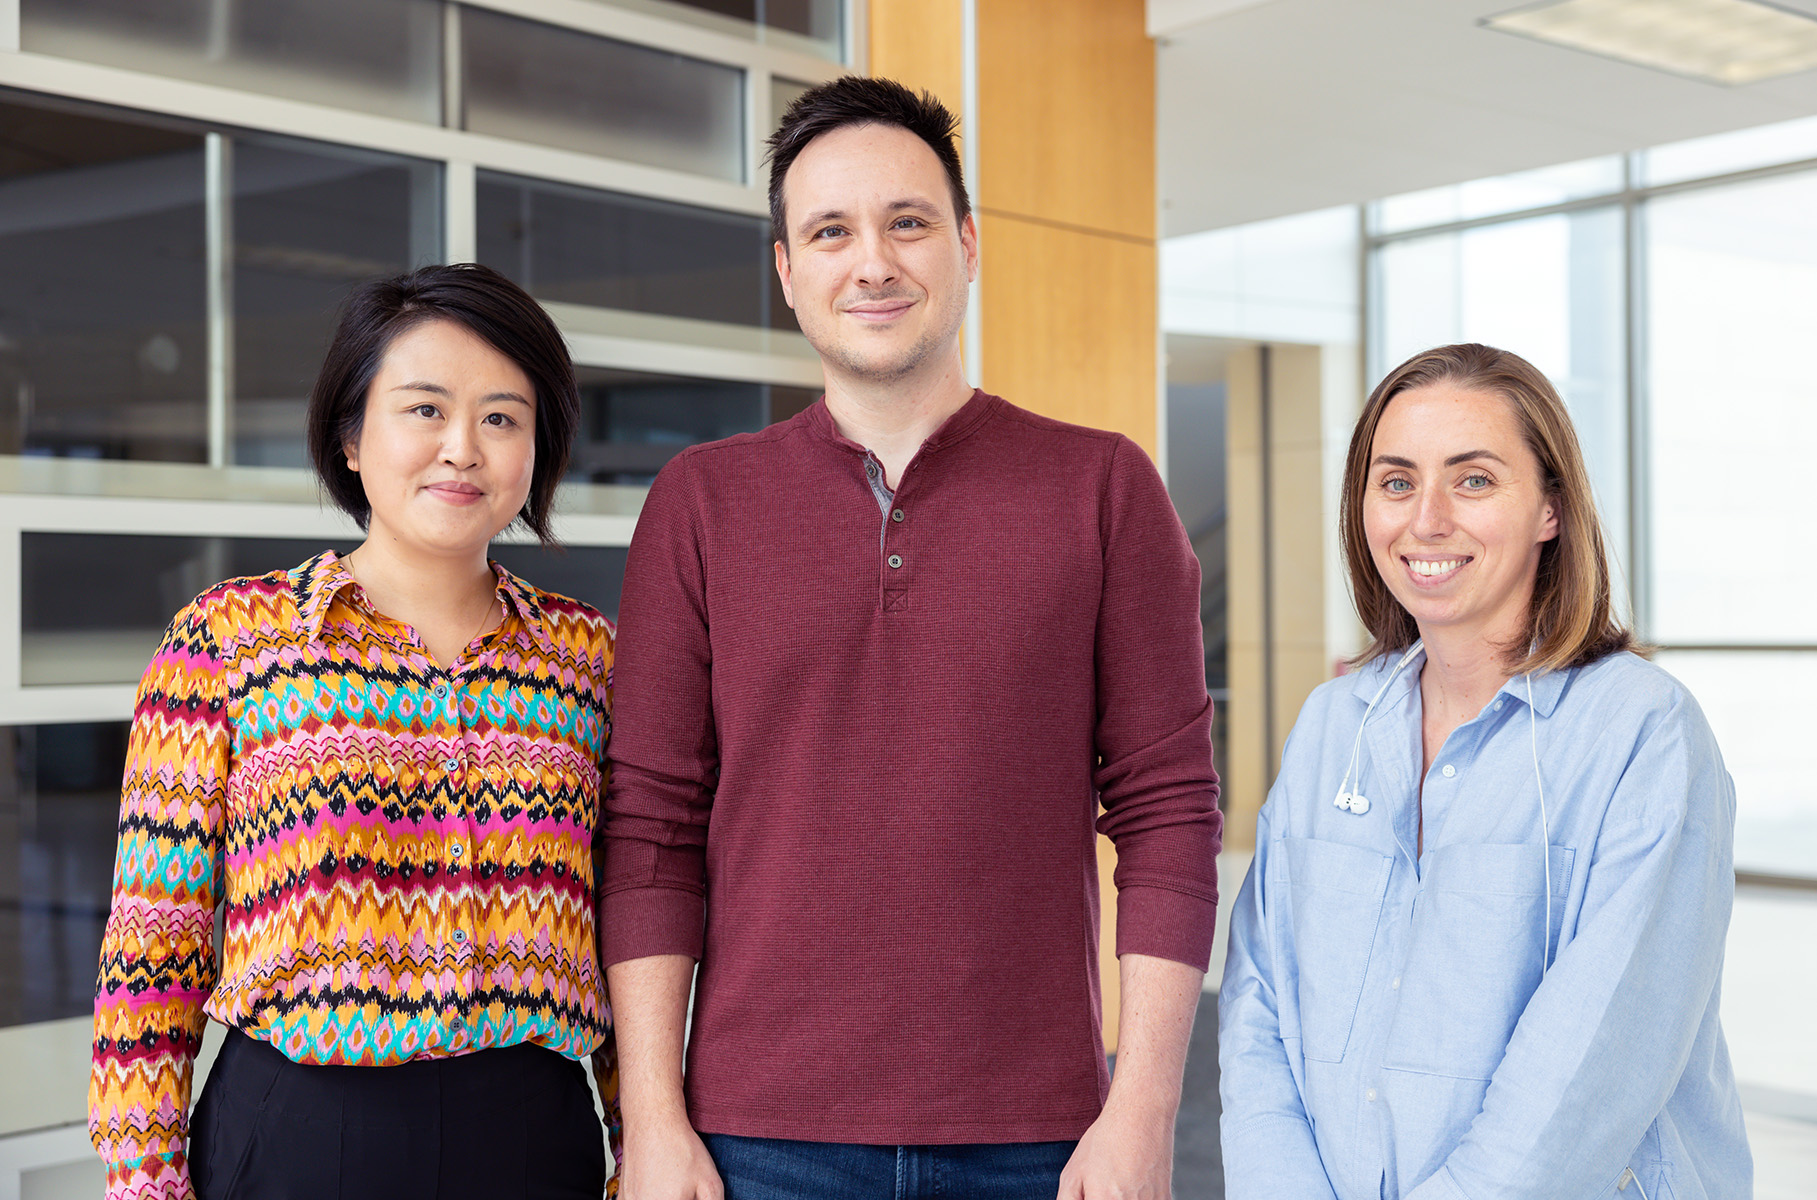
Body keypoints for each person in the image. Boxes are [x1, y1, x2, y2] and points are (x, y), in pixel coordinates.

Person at [601, 77, 1221, 1200]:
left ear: (967, 245)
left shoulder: (1102, 488)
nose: (871, 263)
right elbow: (650, 823)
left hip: (1041, 1137)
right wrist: (651, 1116)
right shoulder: (701, 503)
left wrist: (1143, 1110)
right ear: (788, 272)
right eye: (830, 231)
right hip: (752, 1136)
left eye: (907, 222)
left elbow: (1168, 811)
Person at [89, 263, 620, 1200]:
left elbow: (625, 925)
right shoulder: (229, 640)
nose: (462, 448)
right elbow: (154, 941)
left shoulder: (589, 659)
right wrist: (142, 1178)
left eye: (502, 418)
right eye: (424, 409)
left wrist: (644, 1131)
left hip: (533, 1138)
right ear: (349, 437)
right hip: (298, 1137)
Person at [1218, 343, 1751, 1199]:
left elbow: (1590, 1069)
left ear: (1549, 508)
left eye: (1471, 481)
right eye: (1395, 483)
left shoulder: (1643, 735)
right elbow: (1258, 1010)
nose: (1425, 519)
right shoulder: (1331, 728)